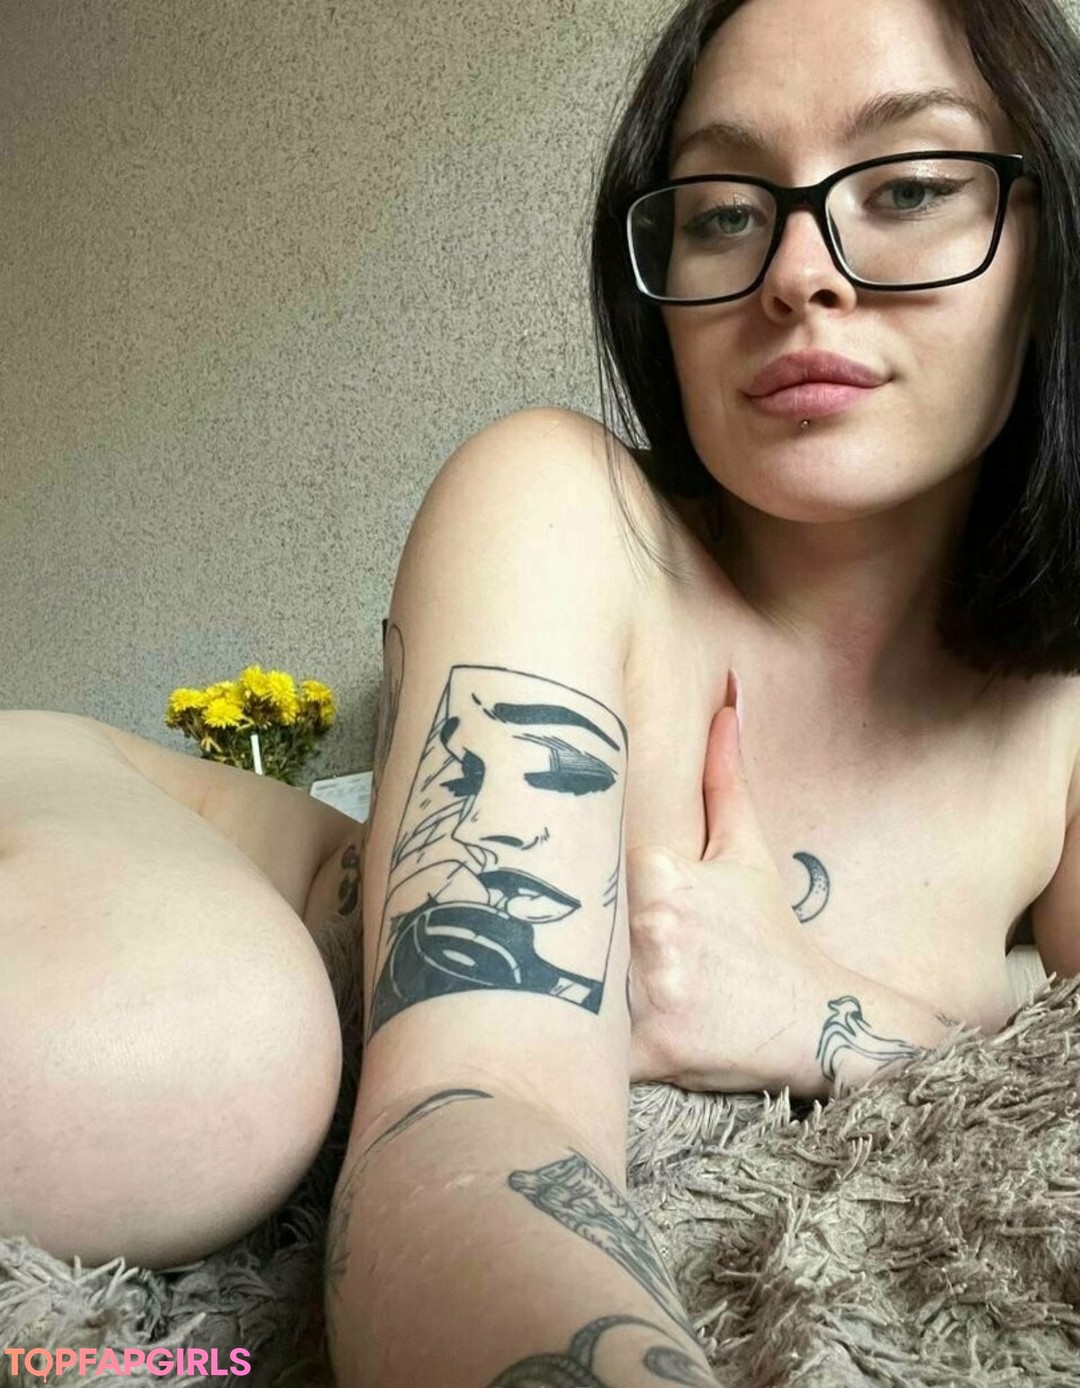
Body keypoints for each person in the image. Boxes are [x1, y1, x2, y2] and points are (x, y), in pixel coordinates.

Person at [326, 0, 1080, 1383]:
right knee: (204, 1077)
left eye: (910, 188)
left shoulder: (1061, 706)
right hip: (111, 824)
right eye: (726, 214)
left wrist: (813, 1006)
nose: (796, 274)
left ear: (1054, 244)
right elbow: (470, 1110)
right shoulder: (556, 507)